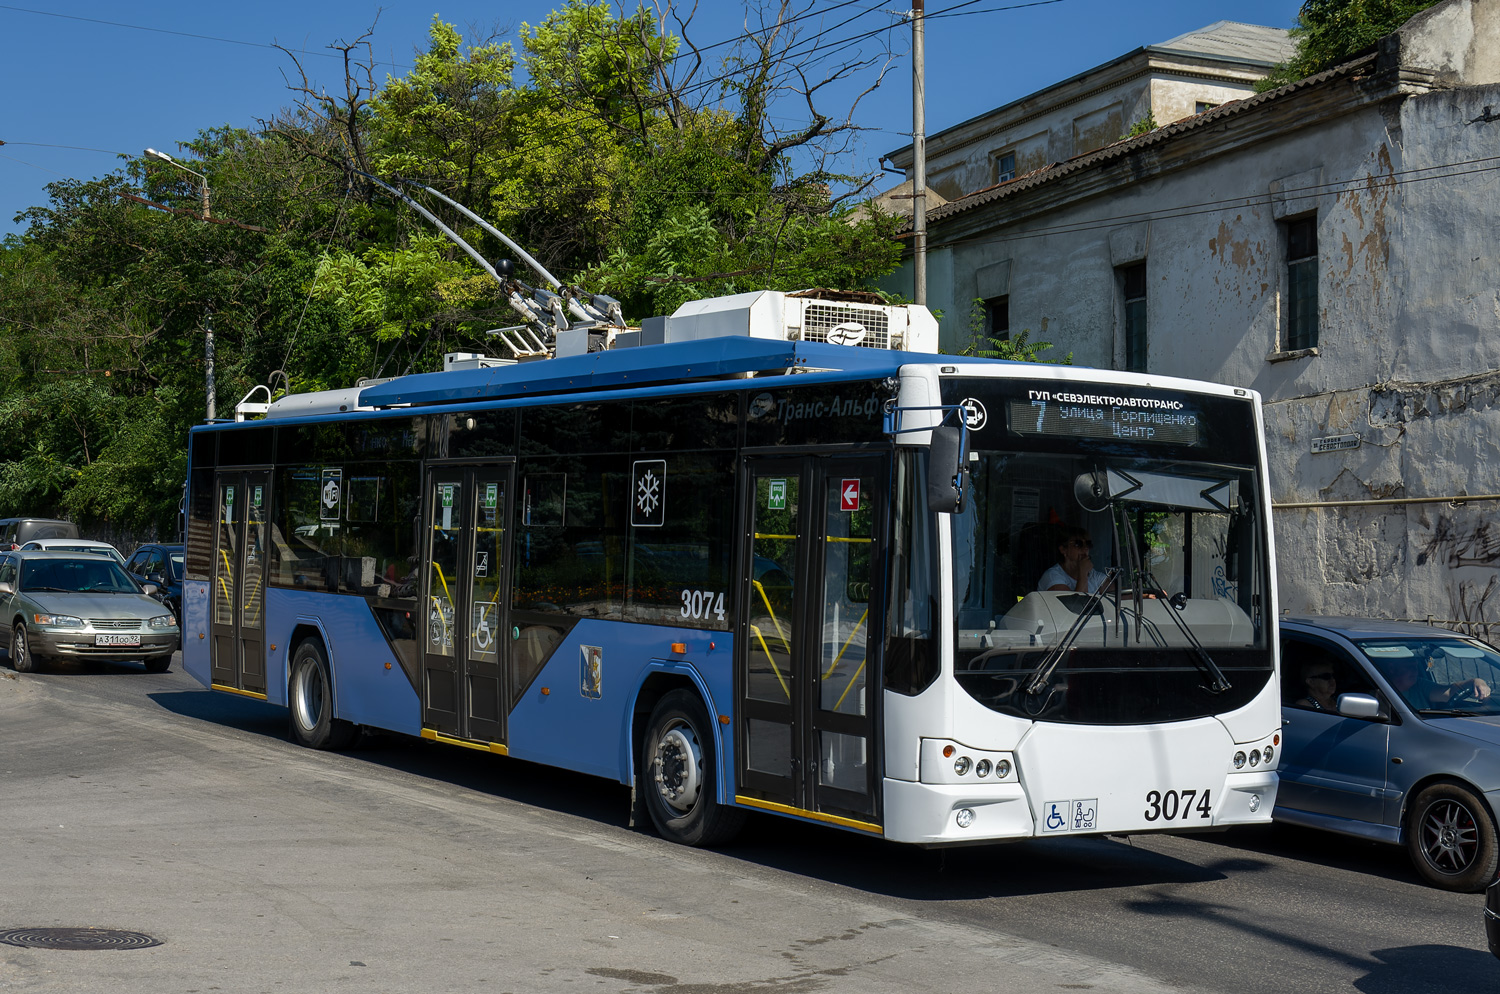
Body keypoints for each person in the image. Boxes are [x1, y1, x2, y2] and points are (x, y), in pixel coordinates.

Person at [1385, 654, 1491, 709]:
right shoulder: (1380, 689)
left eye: (1415, 666)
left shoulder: (1419, 685)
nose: (1415, 671)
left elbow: (1448, 692)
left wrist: (1476, 681)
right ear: (1391, 668)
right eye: (1409, 667)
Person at [1039, 526, 1111, 594]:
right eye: (1078, 544)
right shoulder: (1052, 577)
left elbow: (1118, 597)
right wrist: (1083, 573)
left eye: (1088, 544)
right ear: (1063, 549)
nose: (1085, 548)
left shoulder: (1095, 576)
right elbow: (1077, 605)